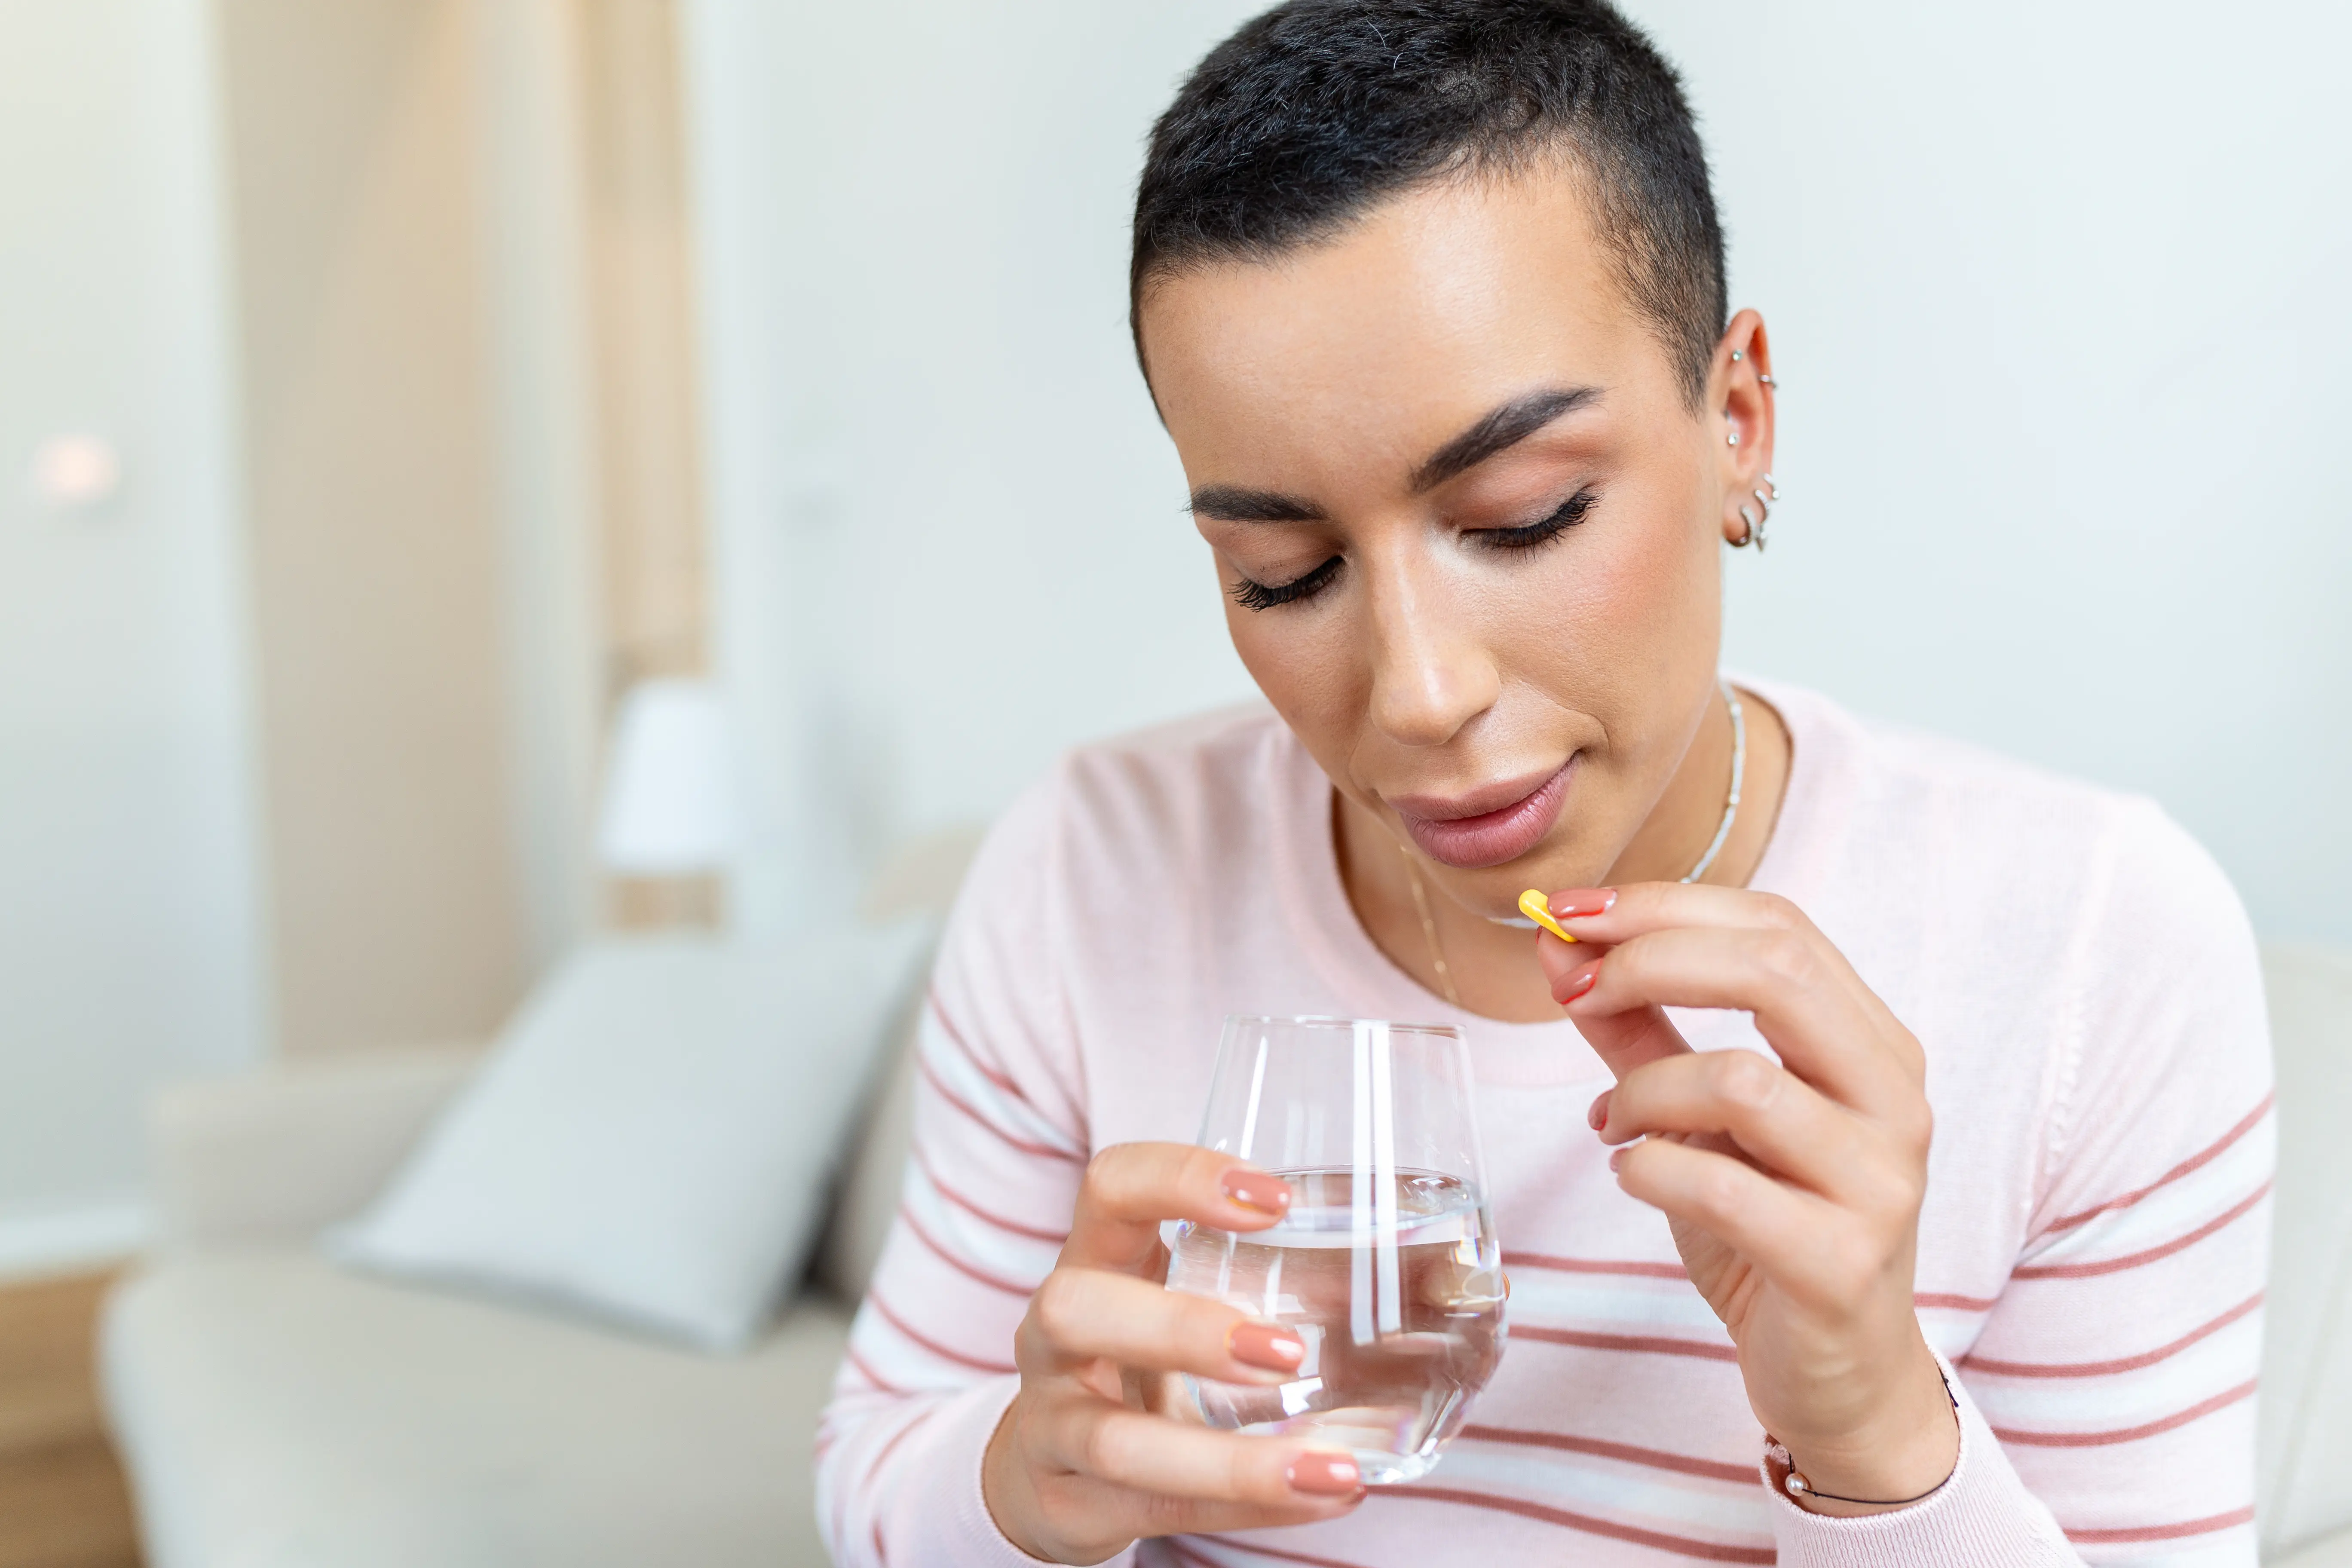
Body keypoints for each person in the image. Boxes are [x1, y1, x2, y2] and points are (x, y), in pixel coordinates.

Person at [816, 2, 2272, 1562]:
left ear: (1737, 419)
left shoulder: (2094, 949)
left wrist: (1875, 1439)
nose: (1420, 695)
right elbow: (877, 1467)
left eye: (1522, 518)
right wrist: (1027, 1483)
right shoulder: (1087, 868)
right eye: (1284, 574)